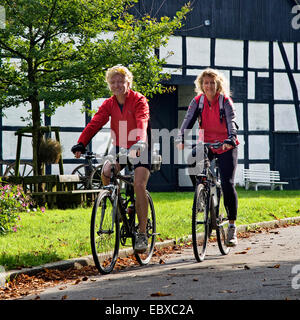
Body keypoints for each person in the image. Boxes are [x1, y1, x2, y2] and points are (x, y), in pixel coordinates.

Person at [71, 65, 151, 254]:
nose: (117, 85)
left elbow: (142, 121)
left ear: (128, 82)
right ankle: (117, 207)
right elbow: (95, 122)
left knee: (139, 184)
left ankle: (141, 232)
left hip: (141, 146)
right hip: (121, 147)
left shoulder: (139, 100)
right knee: (106, 172)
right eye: (113, 82)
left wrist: (139, 142)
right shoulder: (109, 103)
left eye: (120, 81)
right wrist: (81, 143)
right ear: (109, 85)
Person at [176, 68, 239, 246]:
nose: (209, 85)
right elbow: (187, 121)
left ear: (217, 84)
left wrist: (231, 139)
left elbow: (231, 122)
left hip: (226, 145)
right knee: (192, 160)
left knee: (227, 183)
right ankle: (202, 196)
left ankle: (232, 227)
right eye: (205, 82)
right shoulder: (198, 101)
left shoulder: (225, 101)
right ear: (201, 85)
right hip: (207, 144)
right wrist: (181, 137)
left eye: (212, 82)